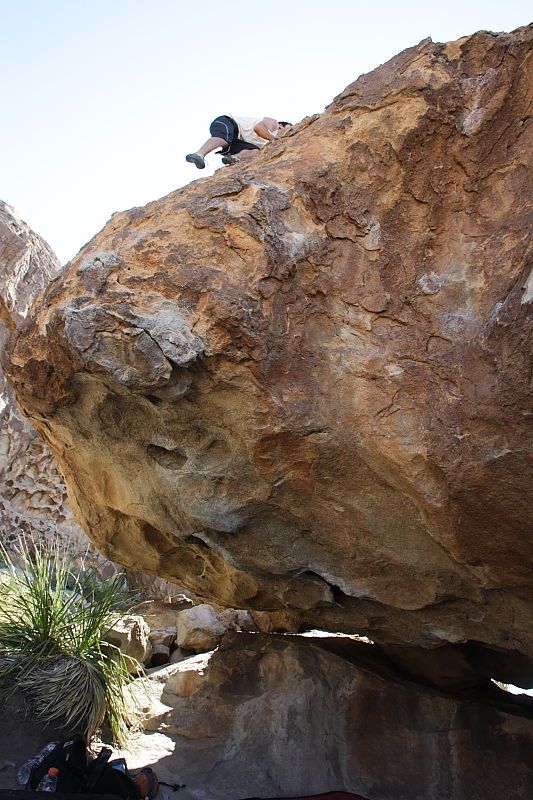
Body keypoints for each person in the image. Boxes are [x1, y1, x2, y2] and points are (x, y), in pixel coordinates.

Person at [186, 115, 292, 169]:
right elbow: (258, 128)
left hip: (238, 139)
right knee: (224, 139)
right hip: (230, 123)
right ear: (281, 125)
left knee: (255, 151)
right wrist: (274, 140)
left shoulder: (267, 142)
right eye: (288, 128)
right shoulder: (273, 123)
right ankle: (199, 154)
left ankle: (234, 158)